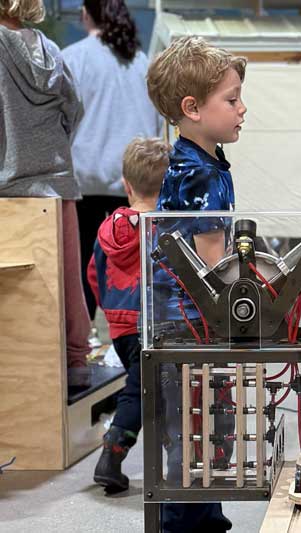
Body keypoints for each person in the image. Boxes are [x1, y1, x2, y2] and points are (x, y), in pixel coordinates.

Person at [146, 35, 247, 533]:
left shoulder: (195, 161)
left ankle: (203, 516)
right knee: (194, 428)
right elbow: (214, 263)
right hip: (187, 320)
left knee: (197, 425)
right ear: (192, 108)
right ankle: (185, 524)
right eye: (231, 99)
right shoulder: (203, 174)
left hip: (178, 316)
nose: (242, 108)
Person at [63, 0, 163, 339]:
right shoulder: (140, 61)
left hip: (86, 180)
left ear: (87, 14)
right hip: (135, 182)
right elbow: (155, 122)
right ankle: (136, 336)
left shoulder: (74, 58)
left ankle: (84, 340)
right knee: (135, 268)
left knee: (83, 267)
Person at [0, 0, 91, 368]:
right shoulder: (49, 48)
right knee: (68, 289)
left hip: (9, 192)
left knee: (17, 304)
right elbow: (75, 108)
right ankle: (76, 365)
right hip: (57, 188)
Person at [88, 137, 169, 493]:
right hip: (154, 324)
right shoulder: (166, 227)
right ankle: (111, 455)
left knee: (144, 389)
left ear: (126, 184)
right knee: (143, 393)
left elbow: (94, 273)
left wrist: (110, 312)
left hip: (120, 328)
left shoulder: (109, 230)